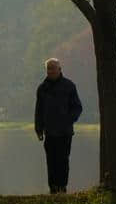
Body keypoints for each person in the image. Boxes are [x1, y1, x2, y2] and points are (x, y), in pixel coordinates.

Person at [34, 58, 83, 194]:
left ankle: (62, 187)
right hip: (49, 132)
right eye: (48, 69)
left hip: (65, 132)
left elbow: (77, 107)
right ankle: (53, 188)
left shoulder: (69, 86)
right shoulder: (42, 88)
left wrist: (68, 120)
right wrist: (38, 129)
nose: (50, 71)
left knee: (63, 160)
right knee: (51, 161)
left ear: (59, 69)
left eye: (53, 68)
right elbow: (39, 111)